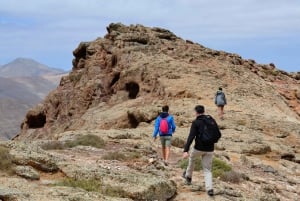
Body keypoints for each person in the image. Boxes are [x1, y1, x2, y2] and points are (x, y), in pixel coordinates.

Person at [182, 105, 215, 197]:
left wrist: (186, 150)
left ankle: (188, 176)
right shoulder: (211, 120)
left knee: (192, 159)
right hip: (210, 148)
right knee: (207, 169)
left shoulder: (196, 122)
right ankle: (210, 189)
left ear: (196, 112)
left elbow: (191, 137)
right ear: (204, 111)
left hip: (199, 148)